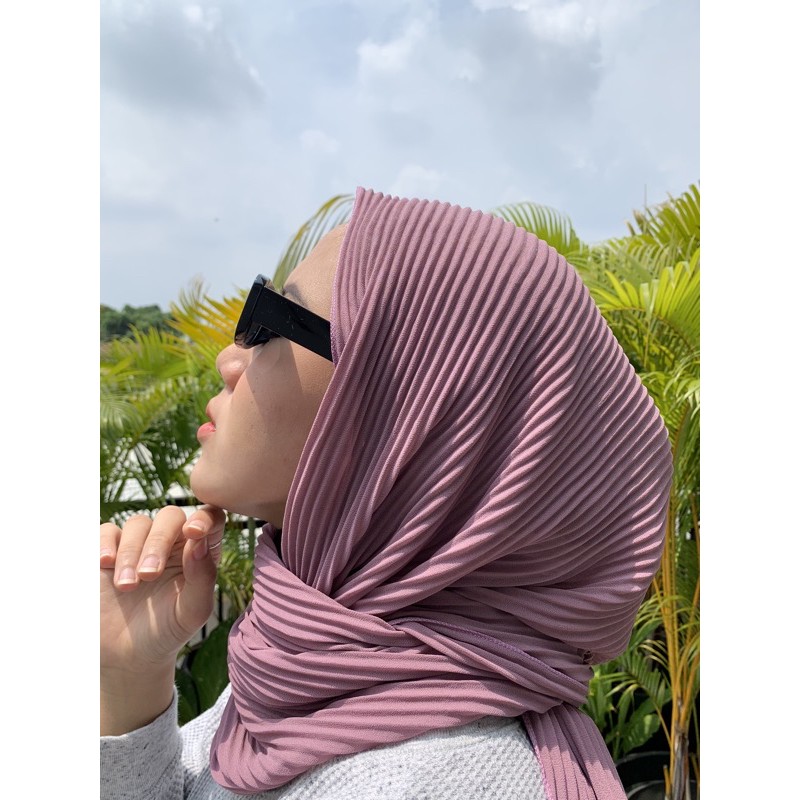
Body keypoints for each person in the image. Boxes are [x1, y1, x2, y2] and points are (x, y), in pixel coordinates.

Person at [100, 187, 673, 799]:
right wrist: (128, 680)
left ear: (409, 420)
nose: (229, 359)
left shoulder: (429, 780)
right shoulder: (321, 665)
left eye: (269, 323)